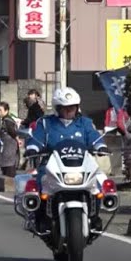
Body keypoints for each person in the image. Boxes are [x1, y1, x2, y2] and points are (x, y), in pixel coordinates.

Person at [25, 87, 109, 231]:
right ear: (58, 108)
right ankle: (42, 217)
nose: (69, 110)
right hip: (52, 166)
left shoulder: (85, 123)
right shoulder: (46, 123)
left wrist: (100, 145)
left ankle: (94, 216)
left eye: (72, 107)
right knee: (41, 182)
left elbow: (93, 136)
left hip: (80, 166)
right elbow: (36, 137)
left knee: (101, 181)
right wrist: (32, 147)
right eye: (65, 108)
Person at [0, 102, 21, 177]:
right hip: (7, 149)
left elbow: (13, 132)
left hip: (9, 149)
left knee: (9, 170)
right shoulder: (6, 120)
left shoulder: (8, 121)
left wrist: (18, 140)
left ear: (6, 111)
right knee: (7, 168)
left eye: (0, 110)